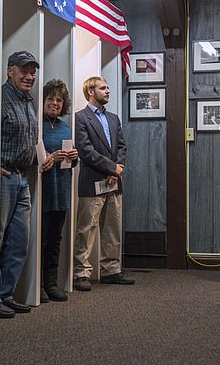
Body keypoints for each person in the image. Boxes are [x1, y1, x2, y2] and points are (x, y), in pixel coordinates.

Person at [74, 76, 134, 291]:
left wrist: (116, 170)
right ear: (91, 92)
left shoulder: (113, 118)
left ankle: (111, 270)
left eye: (108, 87)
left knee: (112, 228)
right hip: (92, 182)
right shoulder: (80, 118)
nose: (107, 91)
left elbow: (122, 147)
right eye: (103, 88)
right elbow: (85, 150)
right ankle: (81, 272)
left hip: (113, 182)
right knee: (87, 229)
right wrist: (111, 168)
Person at [0, 51, 39, 317]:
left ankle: (6, 294)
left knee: (18, 241)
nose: (29, 76)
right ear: (10, 71)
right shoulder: (1, 98)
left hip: (23, 177)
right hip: (4, 177)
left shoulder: (28, 101)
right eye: (24, 70)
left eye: (32, 71)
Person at [40, 79, 78, 302]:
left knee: (55, 239)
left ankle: (52, 283)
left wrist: (74, 158)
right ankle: (39, 286)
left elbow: (69, 161)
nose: (55, 103)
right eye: (50, 99)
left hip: (61, 190)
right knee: (41, 239)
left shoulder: (65, 126)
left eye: (59, 100)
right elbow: (37, 157)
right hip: (43, 188)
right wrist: (50, 158)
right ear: (43, 101)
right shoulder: (38, 124)